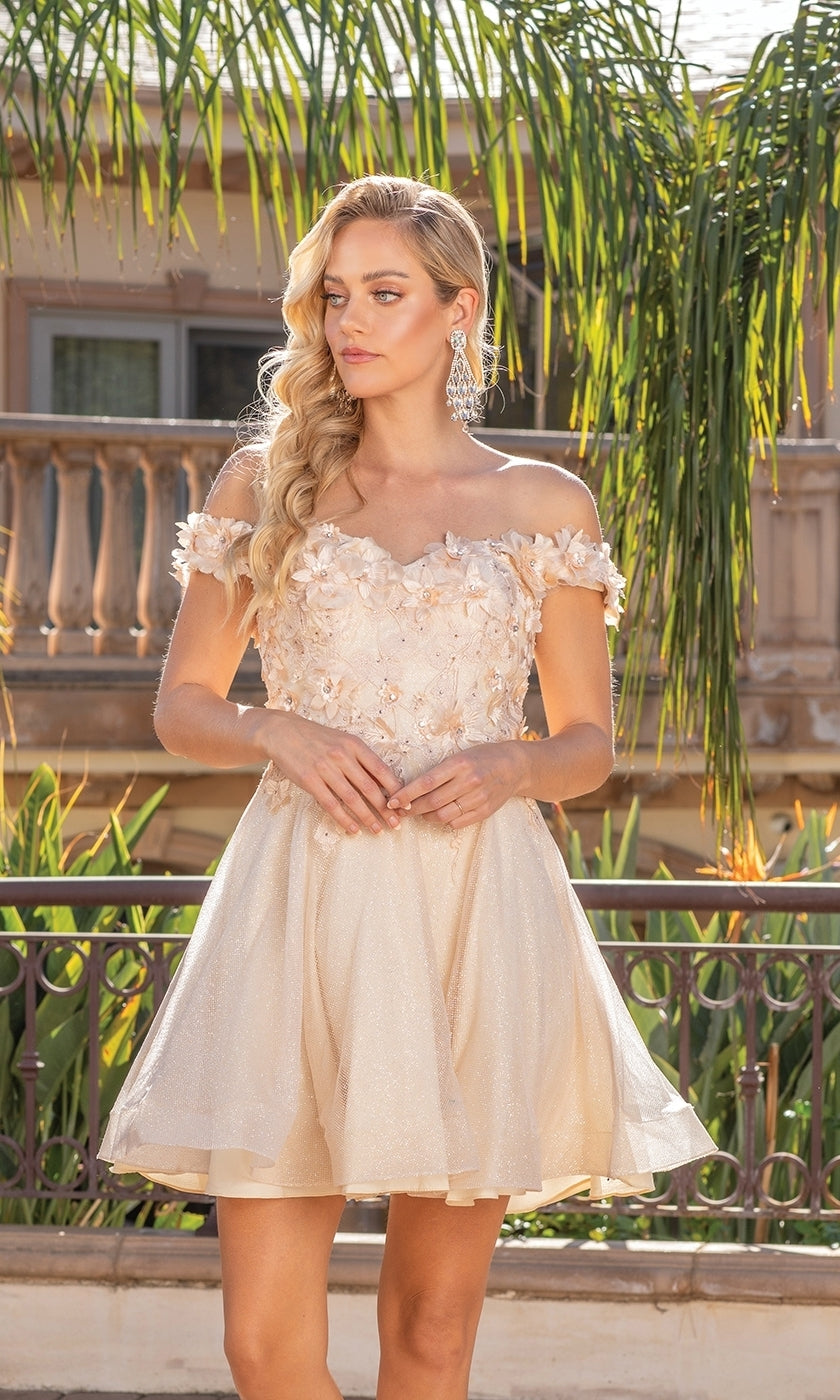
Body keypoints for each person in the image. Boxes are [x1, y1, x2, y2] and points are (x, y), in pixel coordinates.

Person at [100, 175, 714, 1400]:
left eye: (385, 293)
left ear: (459, 309)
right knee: (262, 1347)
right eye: (334, 296)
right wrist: (278, 730)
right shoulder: (265, 483)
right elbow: (184, 706)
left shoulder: (542, 504)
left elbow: (588, 741)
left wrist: (514, 761)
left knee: (431, 1336)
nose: (351, 322)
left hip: (472, 912)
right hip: (300, 909)